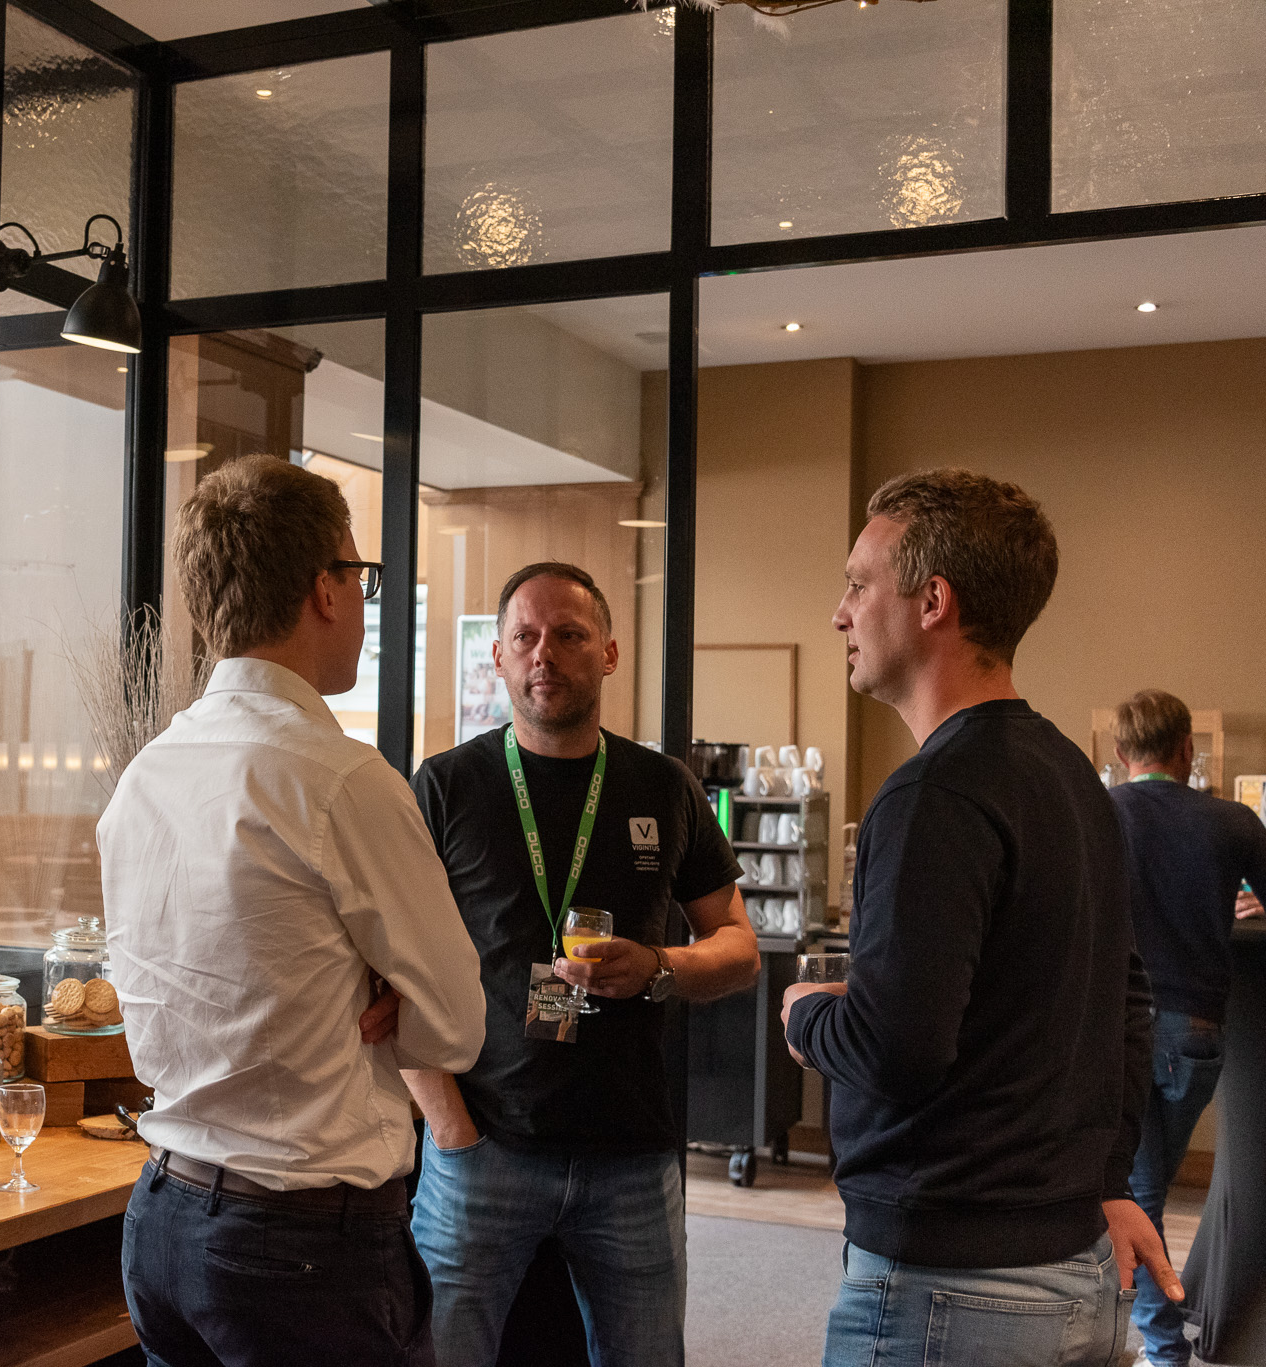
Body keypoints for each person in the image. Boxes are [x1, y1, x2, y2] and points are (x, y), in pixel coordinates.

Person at [783, 468, 1178, 1366]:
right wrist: (1108, 1180)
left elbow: (897, 1049)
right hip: (1074, 1268)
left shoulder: (933, 794)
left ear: (933, 602)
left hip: (949, 1288)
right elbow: (1126, 1002)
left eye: (858, 584)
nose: (840, 613)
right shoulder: (1072, 777)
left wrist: (805, 1014)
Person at [99, 453, 486, 1367]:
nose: (362, 600)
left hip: (163, 1216)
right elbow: (457, 1024)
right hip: (300, 1244)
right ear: (325, 588)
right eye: (361, 576)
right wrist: (386, 993)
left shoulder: (145, 775)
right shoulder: (342, 779)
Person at [406, 561, 759, 1367]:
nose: (545, 654)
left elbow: (738, 947)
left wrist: (659, 966)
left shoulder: (663, 786)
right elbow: (385, 969)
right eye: (525, 636)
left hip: (631, 1158)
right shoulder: (446, 786)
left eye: (568, 635)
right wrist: (449, 1129)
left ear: (608, 652)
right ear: (498, 655)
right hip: (483, 1149)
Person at [1107, 689, 1266, 1367]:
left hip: (1120, 1029)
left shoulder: (1102, 812)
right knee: (1137, 1191)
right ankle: (1151, 1341)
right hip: (1198, 1035)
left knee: (1131, 1192)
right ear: (1186, 749)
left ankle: (1163, 1351)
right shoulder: (1233, 821)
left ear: (1121, 753)